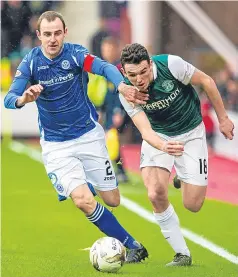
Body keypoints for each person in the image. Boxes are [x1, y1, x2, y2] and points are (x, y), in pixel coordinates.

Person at [4, 12, 149, 263]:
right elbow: (9, 98)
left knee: (112, 199)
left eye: (57, 33)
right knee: (82, 200)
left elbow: (102, 66)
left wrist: (122, 84)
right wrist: (23, 98)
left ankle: (87, 182)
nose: (52, 39)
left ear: (65, 33)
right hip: (56, 146)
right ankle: (133, 245)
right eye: (47, 34)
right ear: (39, 36)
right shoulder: (30, 63)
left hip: (88, 137)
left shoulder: (75, 54)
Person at [118, 43, 234, 266]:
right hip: (158, 137)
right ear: (124, 72)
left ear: (151, 63)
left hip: (191, 133)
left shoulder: (171, 65)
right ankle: (182, 254)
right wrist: (163, 146)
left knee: (193, 204)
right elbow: (145, 131)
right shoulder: (127, 93)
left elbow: (207, 82)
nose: (139, 79)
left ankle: (182, 174)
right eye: (133, 75)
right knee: (155, 193)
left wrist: (223, 119)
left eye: (144, 71)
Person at [100, 36, 129, 183]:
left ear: (116, 50)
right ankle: (119, 171)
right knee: (111, 143)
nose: (106, 52)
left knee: (112, 141)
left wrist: (119, 111)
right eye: (104, 49)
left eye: (109, 48)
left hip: (119, 111)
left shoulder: (119, 69)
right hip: (109, 111)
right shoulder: (104, 67)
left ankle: (119, 171)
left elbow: (121, 92)